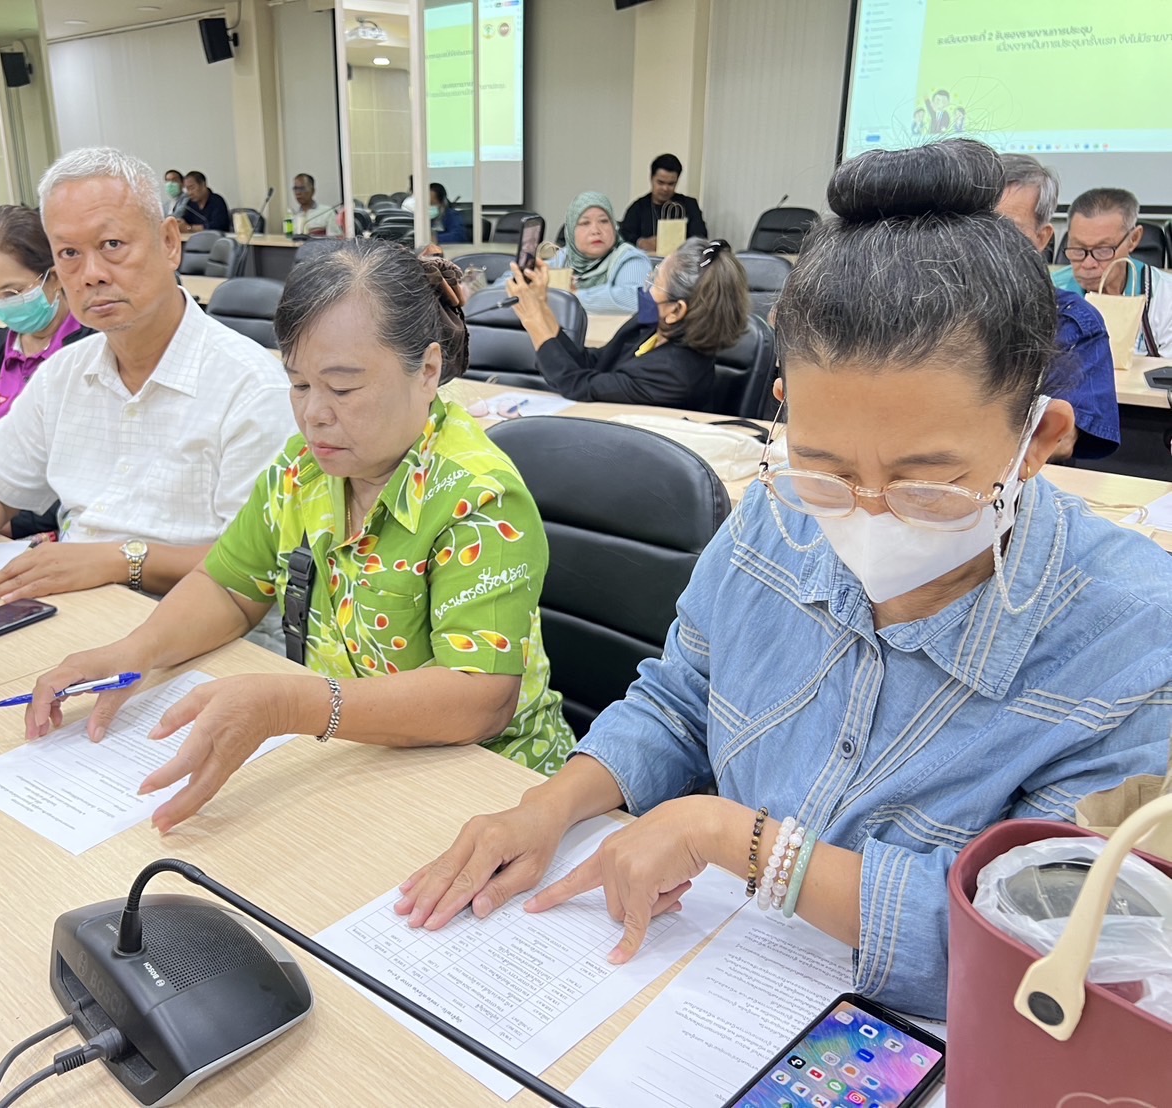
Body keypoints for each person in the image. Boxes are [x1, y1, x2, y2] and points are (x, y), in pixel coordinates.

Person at [397, 139, 1172, 1019]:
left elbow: (1046, 946)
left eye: (926, 484)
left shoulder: (1129, 638)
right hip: (712, 970)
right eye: (822, 467)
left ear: (1037, 441)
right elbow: (680, 699)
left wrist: (747, 843)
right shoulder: (777, 516)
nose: (865, 514)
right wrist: (549, 806)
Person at [25, 241, 575, 831]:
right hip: (356, 758)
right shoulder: (306, 468)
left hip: (489, 785)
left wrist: (292, 704)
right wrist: (131, 654)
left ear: (429, 370)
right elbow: (229, 586)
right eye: (298, 384)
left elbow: (479, 699)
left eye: (342, 388)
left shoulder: (478, 496)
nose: (314, 414)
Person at [0, 147, 294, 604]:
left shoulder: (252, 389)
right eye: (70, 254)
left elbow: (257, 565)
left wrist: (119, 559)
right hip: (77, 610)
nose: (92, 274)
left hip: (203, 632)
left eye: (112, 245)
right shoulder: (63, 374)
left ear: (169, 243)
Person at [0, 204, 91, 539]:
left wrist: (10, 525)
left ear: (55, 276)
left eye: (13, 292)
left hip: (68, 529)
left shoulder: (94, 349)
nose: (2, 304)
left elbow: (96, 473)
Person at [505, 237, 749, 408]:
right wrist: (542, 306)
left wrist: (532, 318)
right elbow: (595, 363)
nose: (647, 284)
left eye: (655, 280)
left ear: (676, 310)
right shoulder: (652, 326)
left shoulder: (675, 373)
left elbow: (579, 386)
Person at [996, 156, 1119, 459]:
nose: (989, 246)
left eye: (1008, 231)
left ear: (1041, 238)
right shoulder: (922, 304)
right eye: (976, 229)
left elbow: (1064, 437)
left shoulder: (1072, 321)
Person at [1053, 187, 1169, 357]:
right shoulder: (1049, 291)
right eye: (1078, 249)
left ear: (1133, 239)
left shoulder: (1165, 297)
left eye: (1102, 250)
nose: (1088, 263)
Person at [548, 192, 650, 315]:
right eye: (585, 223)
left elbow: (635, 298)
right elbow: (530, 274)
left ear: (614, 226)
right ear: (570, 231)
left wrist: (575, 295)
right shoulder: (564, 257)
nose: (596, 231)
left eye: (603, 221)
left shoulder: (630, 258)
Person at [619, 154, 708, 251]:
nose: (665, 188)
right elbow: (623, 236)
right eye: (660, 182)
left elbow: (700, 239)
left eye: (671, 184)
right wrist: (640, 242)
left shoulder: (689, 205)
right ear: (651, 178)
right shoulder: (638, 208)